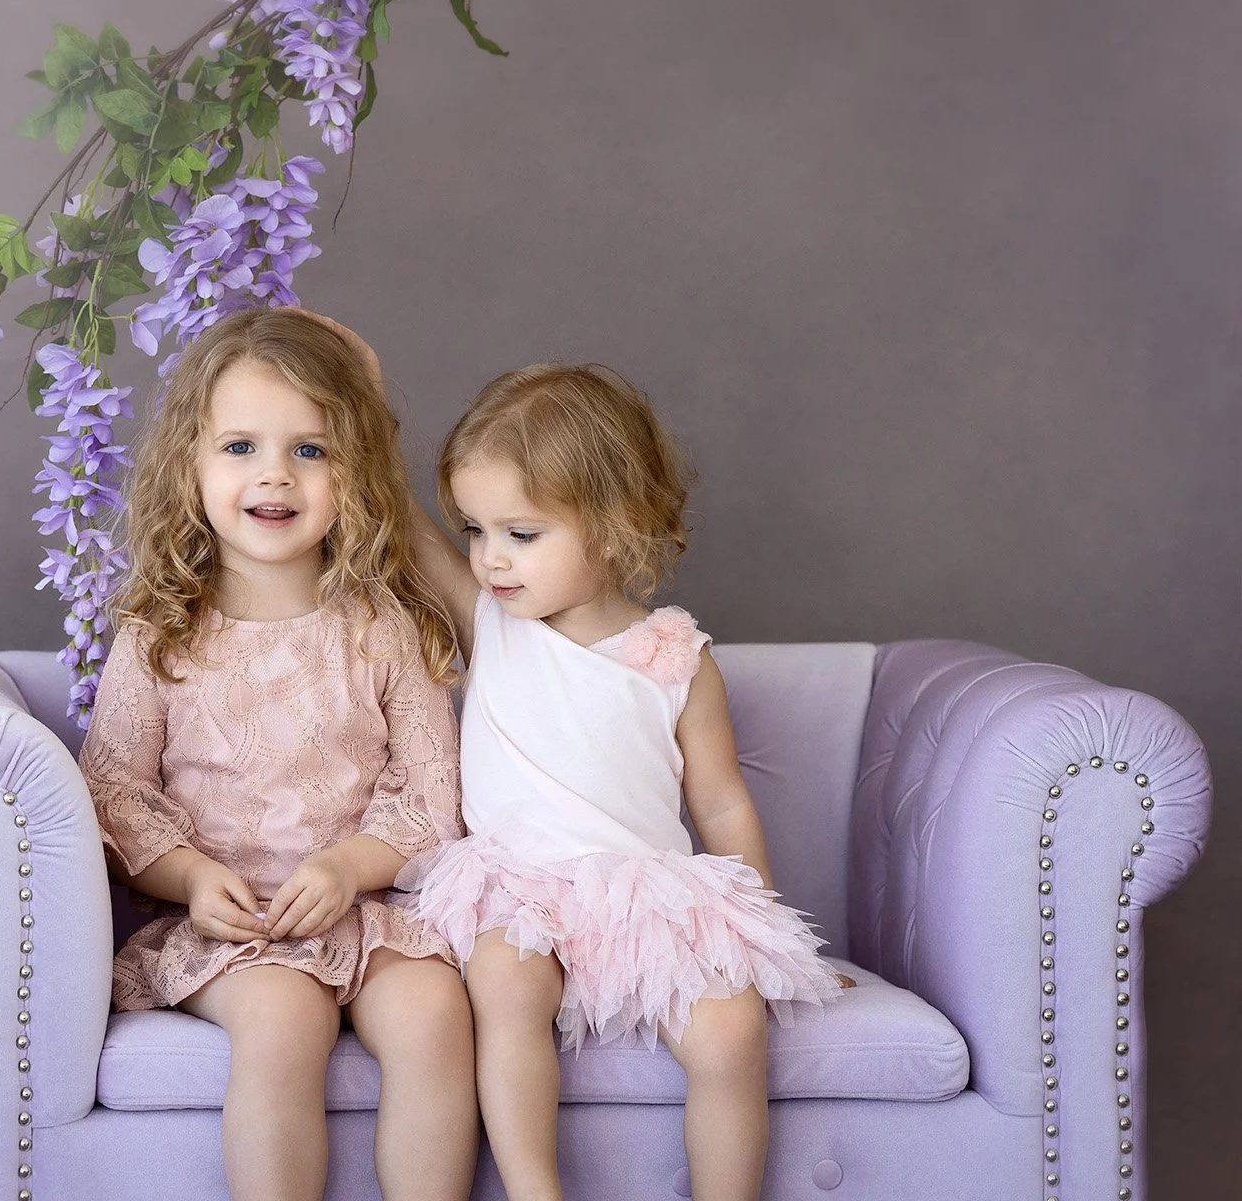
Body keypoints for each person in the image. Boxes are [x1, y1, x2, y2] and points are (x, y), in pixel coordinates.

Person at [318, 316, 845, 1201]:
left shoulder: (673, 655)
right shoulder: (490, 621)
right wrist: (366, 404)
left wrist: (759, 929)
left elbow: (719, 805)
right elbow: (404, 525)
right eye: (478, 531)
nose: (490, 560)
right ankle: (535, 1188)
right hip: (519, 885)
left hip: (644, 888)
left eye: (522, 534)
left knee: (729, 1034)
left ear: (613, 526)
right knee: (504, 984)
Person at [77, 306, 478, 1201]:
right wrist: (188, 879)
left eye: (311, 450)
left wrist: (347, 866)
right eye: (241, 447)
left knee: (436, 1014)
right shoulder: (158, 636)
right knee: (285, 1022)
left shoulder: (385, 627)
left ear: (357, 473)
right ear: (191, 464)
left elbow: (429, 794)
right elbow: (114, 793)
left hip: (360, 908)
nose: (275, 475)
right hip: (235, 927)